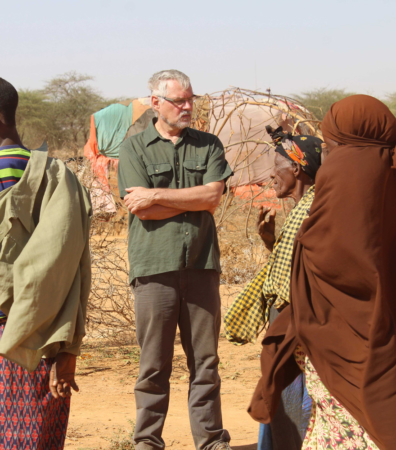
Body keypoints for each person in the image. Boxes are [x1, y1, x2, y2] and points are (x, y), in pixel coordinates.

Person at [248, 95, 396, 450]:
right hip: (395, 355)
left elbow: (333, 266)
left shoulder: (345, 185)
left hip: (344, 361)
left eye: (331, 147)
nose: (328, 158)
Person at [118, 70, 233, 450]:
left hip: (201, 266)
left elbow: (213, 198)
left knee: (206, 362)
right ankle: (147, 442)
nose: (187, 107)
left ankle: (211, 441)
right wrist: (182, 200)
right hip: (154, 268)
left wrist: (155, 196)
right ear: (156, 103)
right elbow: (143, 213)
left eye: (190, 99)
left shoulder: (209, 145)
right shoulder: (134, 148)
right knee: (153, 364)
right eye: (178, 101)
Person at [0, 77, 92, 449]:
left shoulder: (50, 179)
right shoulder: (59, 178)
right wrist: (68, 349)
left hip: (22, 338)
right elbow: (73, 271)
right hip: (38, 339)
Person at [225, 128, 323, 449]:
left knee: (292, 407)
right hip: (288, 328)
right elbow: (294, 269)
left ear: (296, 169)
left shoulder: (311, 210)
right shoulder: (302, 209)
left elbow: (299, 281)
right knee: (277, 403)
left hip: (297, 334)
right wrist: (272, 242)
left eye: (277, 164)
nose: (271, 173)